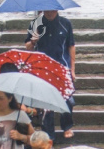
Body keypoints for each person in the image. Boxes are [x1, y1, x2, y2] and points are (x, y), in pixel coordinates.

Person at [23, 9, 76, 140]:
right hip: (42, 68)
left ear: (57, 9)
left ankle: (67, 126)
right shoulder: (36, 23)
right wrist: (33, 41)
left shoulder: (65, 23)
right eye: (47, 11)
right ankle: (48, 133)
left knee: (67, 99)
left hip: (62, 66)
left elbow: (71, 46)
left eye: (52, 10)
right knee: (45, 102)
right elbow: (27, 46)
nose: (49, 13)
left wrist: (73, 69)